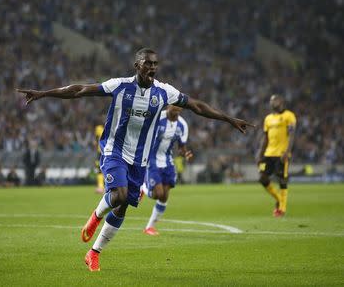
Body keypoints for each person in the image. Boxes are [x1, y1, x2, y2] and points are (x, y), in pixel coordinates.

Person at [18, 48, 254, 272]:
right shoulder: (119, 86)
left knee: (122, 207)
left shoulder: (164, 92)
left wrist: (229, 119)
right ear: (137, 66)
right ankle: (96, 216)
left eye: (155, 64)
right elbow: (79, 90)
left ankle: (94, 253)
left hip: (139, 159)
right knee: (118, 194)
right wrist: (44, 94)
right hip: (114, 150)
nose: (153, 67)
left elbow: (196, 106)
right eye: (148, 63)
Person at [140, 105, 193, 235]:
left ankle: (149, 227)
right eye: (173, 108)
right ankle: (143, 187)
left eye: (178, 109)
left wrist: (185, 153)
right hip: (151, 158)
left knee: (164, 196)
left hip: (168, 160)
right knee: (157, 193)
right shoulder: (157, 117)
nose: (175, 111)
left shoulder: (182, 125)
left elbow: (181, 146)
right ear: (168, 106)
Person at [256, 95, 296, 217]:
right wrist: (260, 154)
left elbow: (292, 135)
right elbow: (265, 138)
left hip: (281, 153)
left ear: (281, 101)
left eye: (275, 100)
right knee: (263, 179)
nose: (273, 102)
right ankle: (279, 199)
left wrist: (287, 152)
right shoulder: (268, 118)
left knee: (282, 179)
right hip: (268, 153)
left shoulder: (289, 116)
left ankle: (282, 209)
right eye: (271, 100)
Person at [94, 123, 105, 193]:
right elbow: (96, 140)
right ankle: (101, 186)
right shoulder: (98, 128)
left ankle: (103, 187)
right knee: (99, 169)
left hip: (108, 152)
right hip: (100, 152)